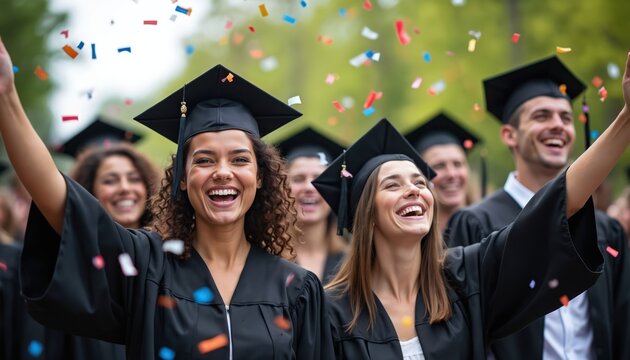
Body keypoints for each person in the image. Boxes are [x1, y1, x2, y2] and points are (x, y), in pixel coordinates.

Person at [0, 36, 333, 360]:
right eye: (204, 160)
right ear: (183, 179)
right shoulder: (149, 267)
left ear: (260, 177)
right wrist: (7, 98)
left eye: (239, 159)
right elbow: (62, 202)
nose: (222, 171)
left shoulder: (296, 288)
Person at [313, 90, 630, 357]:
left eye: (420, 183)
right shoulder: (330, 312)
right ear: (366, 213)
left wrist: (625, 120)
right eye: (392, 185)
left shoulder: (466, 279)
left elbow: (554, 209)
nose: (414, 190)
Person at [446, 56, 630, 360]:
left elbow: (623, 324)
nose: (557, 126)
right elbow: (469, 332)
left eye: (566, 118)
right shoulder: (475, 223)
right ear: (509, 134)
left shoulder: (605, 228)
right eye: (542, 116)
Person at [275, 127, 347, 284]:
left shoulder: (353, 263)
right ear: (281, 188)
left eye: (319, 179)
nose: (309, 187)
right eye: (298, 179)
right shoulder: (265, 262)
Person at [404, 112, 483, 233]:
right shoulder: (412, 241)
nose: (451, 174)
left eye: (458, 164)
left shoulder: (490, 229)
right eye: (439, 166)